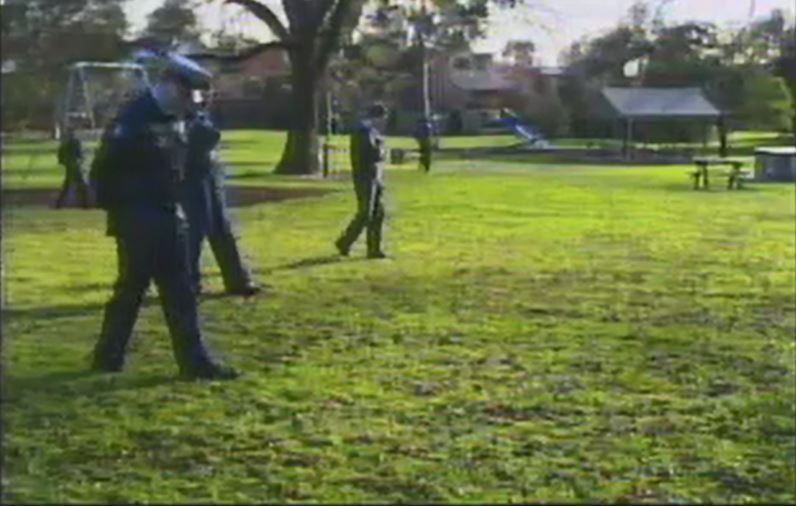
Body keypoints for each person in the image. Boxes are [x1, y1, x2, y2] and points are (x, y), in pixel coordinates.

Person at [90, 52, 238, 380]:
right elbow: (103, 173)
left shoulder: (174, 116)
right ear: (170, 85)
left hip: (167, 215)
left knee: (162, 290)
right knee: (148, 290)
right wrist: (127, 214)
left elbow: (188, 160)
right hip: (140, 218)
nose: (189, 102)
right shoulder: (135, 118)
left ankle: (182, 361)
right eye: (186, 94)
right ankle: (119, 356)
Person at [183, 102, 261, 297]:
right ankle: (189, 282)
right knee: (193, 232)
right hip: (190, 179)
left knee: (222, 229)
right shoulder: (177, 115)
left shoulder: (199, 115)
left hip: (209, 176)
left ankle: (238, 279)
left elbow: (210, 136)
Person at [335, 103, 389, 259]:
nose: (384, 122)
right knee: (366, 213)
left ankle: (374, 249)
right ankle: (344, 242)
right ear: (377, 117)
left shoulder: (371, 131)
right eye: (383, 118)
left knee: (378, 213)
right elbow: (371, 153)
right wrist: (381, 150)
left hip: (374, 176)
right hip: (365, 177)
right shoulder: (364, 132)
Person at [55, 128, 92, 208]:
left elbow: (60, 155)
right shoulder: (75, 142)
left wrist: (63, 162)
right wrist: (82, 161)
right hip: (76, 166)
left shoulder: (64, 143)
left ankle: (58, 204)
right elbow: (80, 154)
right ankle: (85, 204)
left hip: (69, 166)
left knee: (67, 185)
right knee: (81, 185)